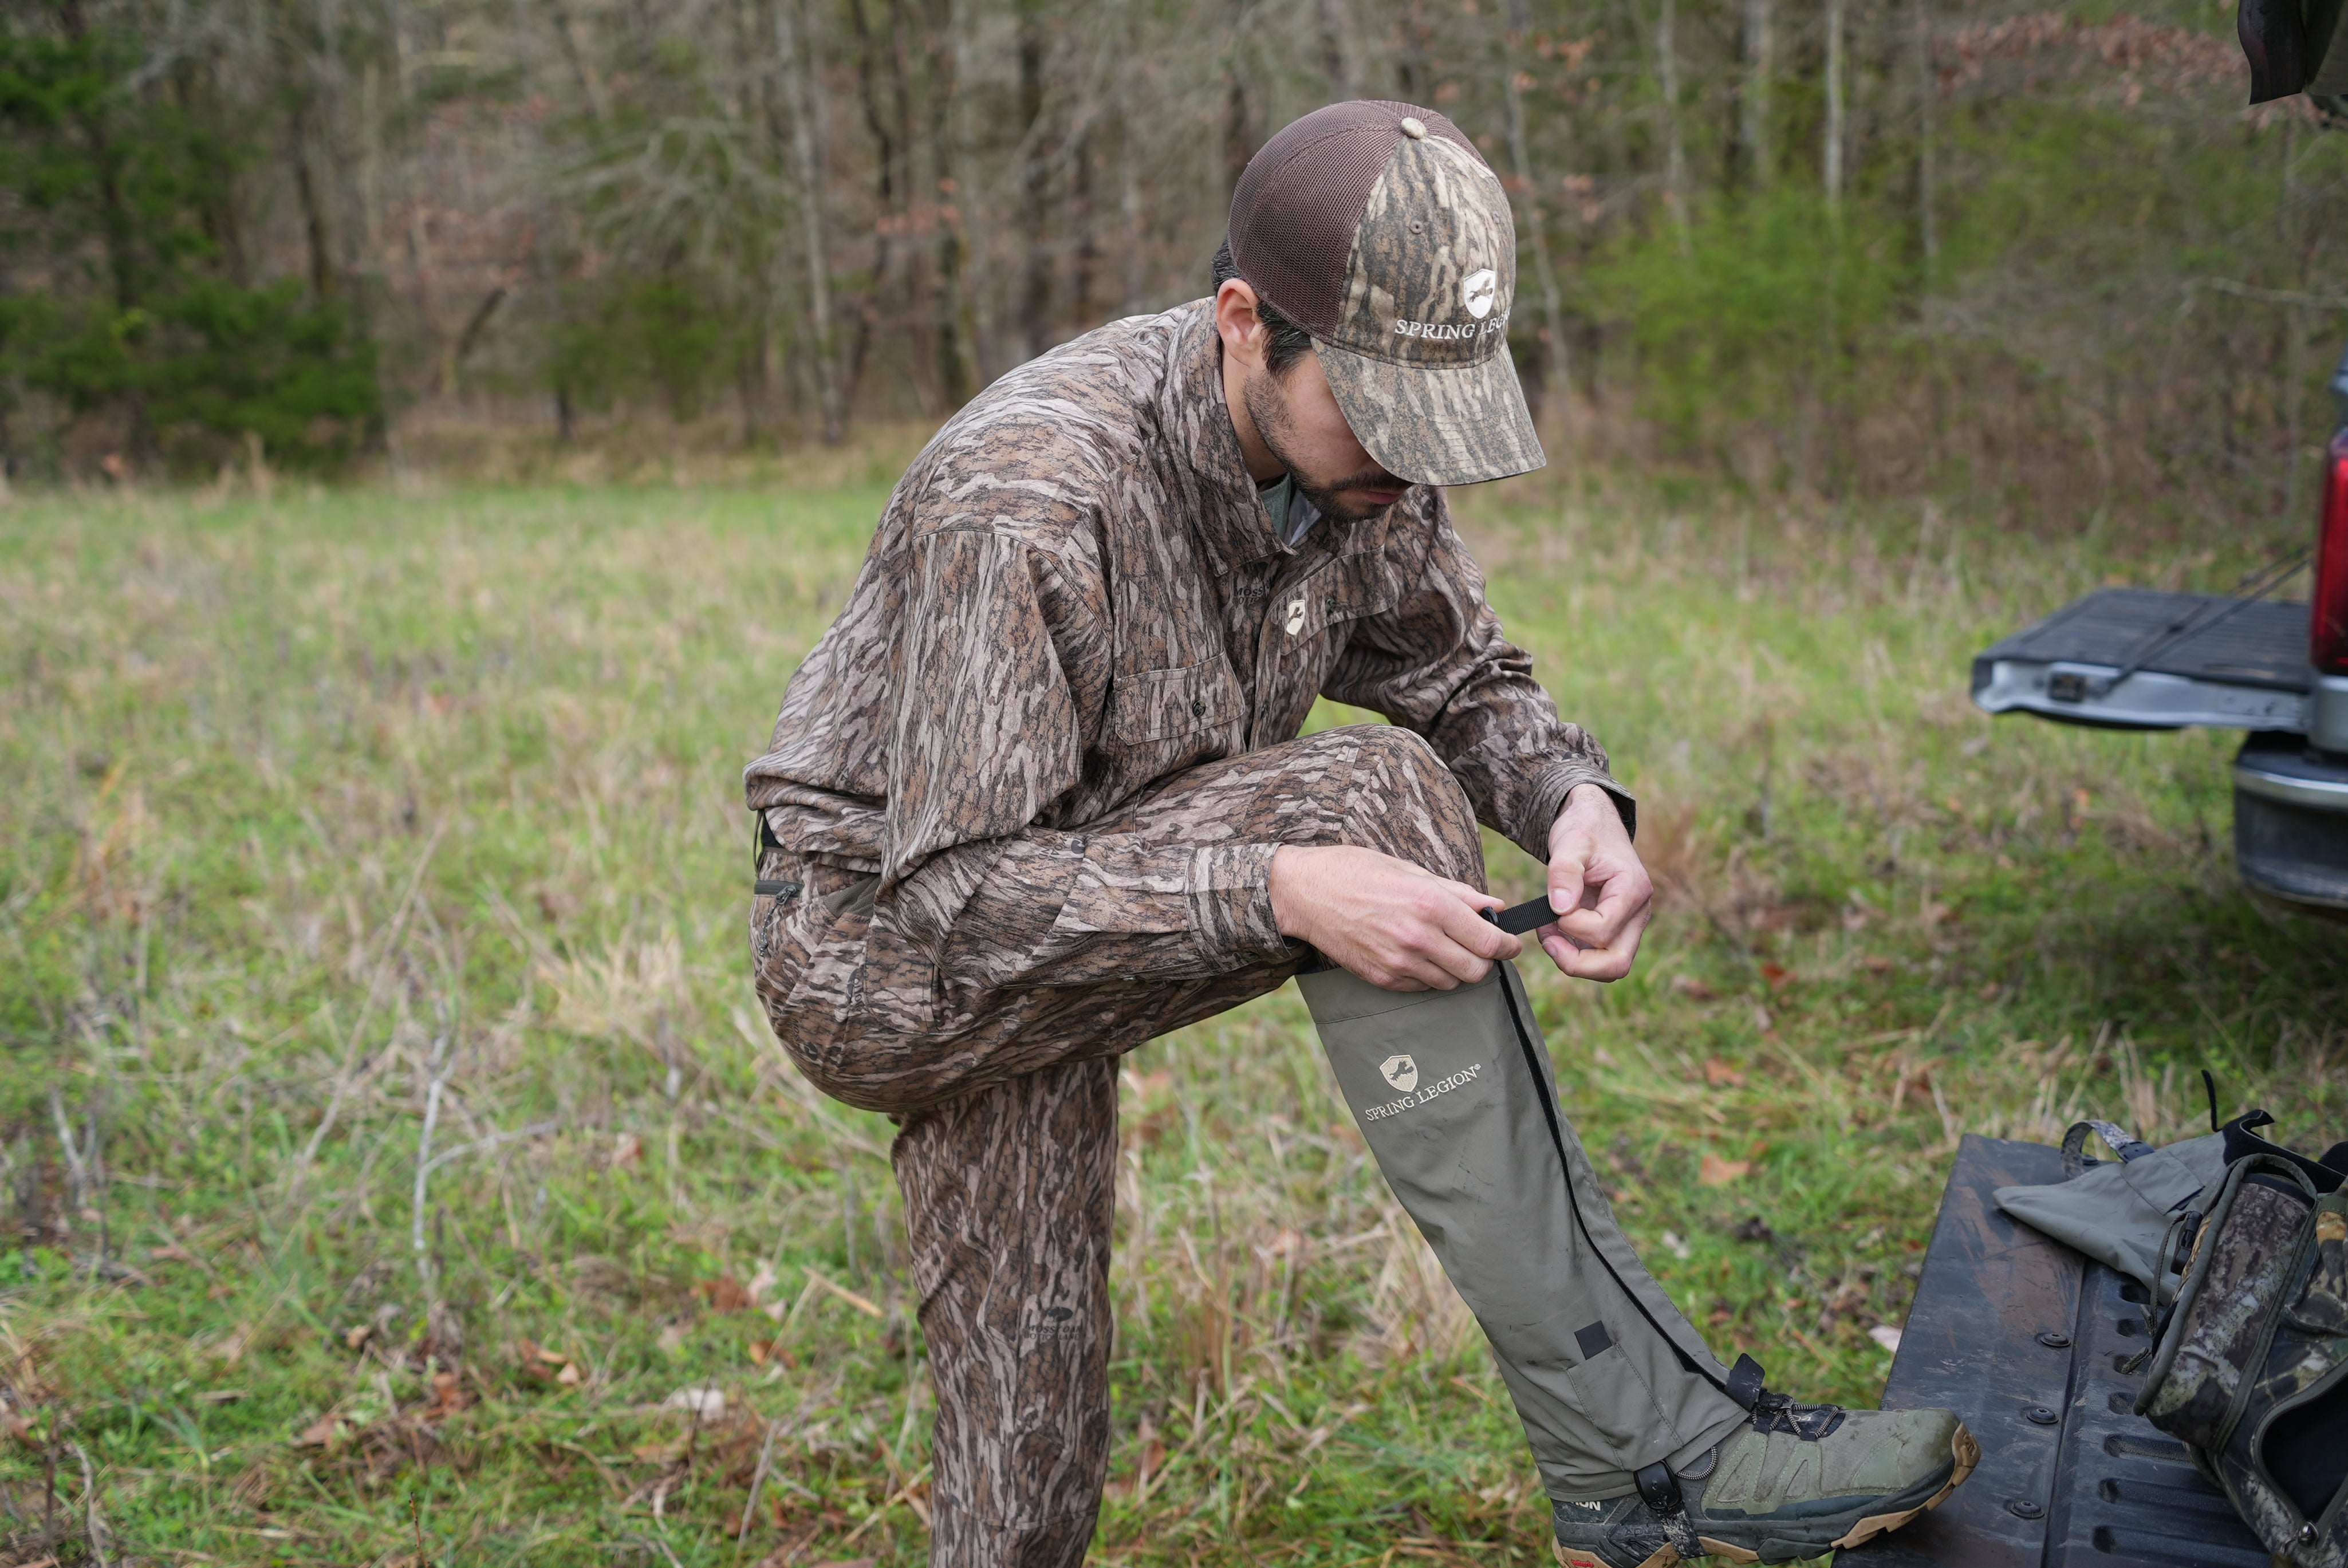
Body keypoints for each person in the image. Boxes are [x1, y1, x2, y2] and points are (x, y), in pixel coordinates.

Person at [743, 99, 1977, 1568]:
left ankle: (1639, 1454)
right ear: (1241, 321)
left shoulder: (1353, 466)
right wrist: (1280, 886)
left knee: (1028, 1409)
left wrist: (1572, 801)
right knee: (1370, 799)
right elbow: (951, 894)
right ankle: (1647, 1458)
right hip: (884, 952)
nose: (1404, 461)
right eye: (1380, 410)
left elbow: (1456, 673)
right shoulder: (1024, 499)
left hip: (1091, 893)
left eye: (1436, 417)